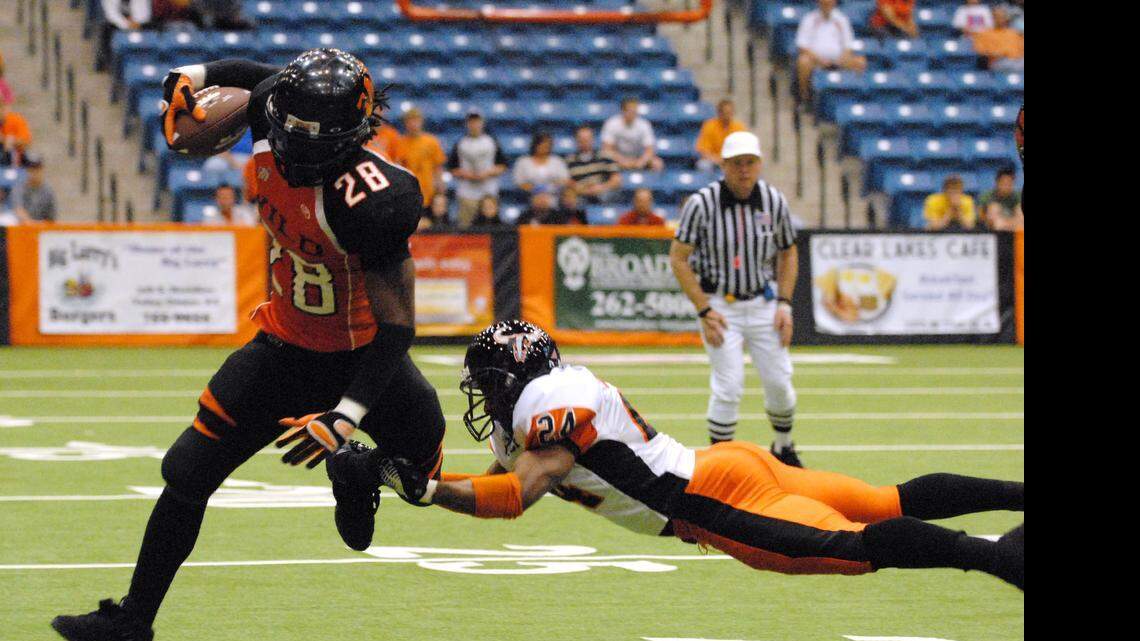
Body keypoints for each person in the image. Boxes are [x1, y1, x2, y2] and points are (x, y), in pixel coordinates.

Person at [51, 49, 447, 641]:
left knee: (422, 480)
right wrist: (190, 79)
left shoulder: (374, 199)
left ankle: (359, 472)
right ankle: (133, 619)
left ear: (353, 131)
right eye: (286, 126)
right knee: (184, 472)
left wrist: (346, 416)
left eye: (313, 135)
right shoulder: (274, 114)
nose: (293, 142)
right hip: (283, 346)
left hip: (362, 359)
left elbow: (397, 328)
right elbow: (250, 73)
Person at [329, 320, 1024, 589]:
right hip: (730, 468)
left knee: (857, 542)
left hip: (710, 501)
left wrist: (418, 488)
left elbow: (520, 495)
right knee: (886, 501)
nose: (480, 394)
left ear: (510, 374)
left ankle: (1001, 557)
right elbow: (495, 483)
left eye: (485, 380)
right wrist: (406, 475)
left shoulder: (550, 400)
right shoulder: (538, 411)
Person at [669, 132, 802, 466]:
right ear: (723, 165)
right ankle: (720, 464)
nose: (744, 170)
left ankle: (783, 447)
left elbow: (788, 251)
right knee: (728, 387)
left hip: (763, 302)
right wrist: (704, 309)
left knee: (780, 384)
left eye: (750, 163)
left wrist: (784, 303)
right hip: (720, 304)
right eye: (737, 163)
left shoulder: (773, 200)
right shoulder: (702, 203)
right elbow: (678, 258)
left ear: (759, 164)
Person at [794, 0, 867, 107]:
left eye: (829, 3)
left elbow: (848, 45)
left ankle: (857, 100)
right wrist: (820, 60)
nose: (827, 5)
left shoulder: (842, 19)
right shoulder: (809, 19)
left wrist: (843, 57)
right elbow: (802, 46)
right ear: (819, 3)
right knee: (803, 61)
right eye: (824, 3)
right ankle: (805, 98)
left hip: (838, 59)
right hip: (816, 60)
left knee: (861, 62)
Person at [448, 108, 508, 228]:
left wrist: (487, 173)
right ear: (467, 124)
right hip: (467, 193)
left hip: (489, 193)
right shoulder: (461, 143)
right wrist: (467, 175)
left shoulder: (491, 141)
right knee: (465, 228)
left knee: (491, 227)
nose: (474, 125)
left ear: (482, 123)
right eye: (471, 122)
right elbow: (452, 168)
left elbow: (503, 165)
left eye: (476, 121)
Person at [392, 107, 447, 210]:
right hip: (409, 194)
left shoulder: (431, 142)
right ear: (405, 123)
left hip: (429, 194)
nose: (413, 124)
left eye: (416, 120)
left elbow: (438, 167)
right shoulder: (399, 143)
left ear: (421, 121)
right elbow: (397, 169)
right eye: (410, 121)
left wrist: (441, 190)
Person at [600, 97, 664, 172]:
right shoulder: (612, 123)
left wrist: (641, 161)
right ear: (623, 111)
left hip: (638, 159)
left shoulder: (644, 124)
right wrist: (622, 161)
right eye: (630, 110)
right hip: (617, 159)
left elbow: (649, 150)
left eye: (635, 111)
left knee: (657, 163)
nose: (633, 113)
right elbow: (607, 149)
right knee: (603, 161)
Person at [565, 125, 622, 203]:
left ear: (593, 139)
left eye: (587, 139)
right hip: (581, 194)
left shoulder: (605, 156)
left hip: (603, 192)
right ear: (576, 140)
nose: (585, 142)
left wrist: (602, 187)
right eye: (582, 139)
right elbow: (568, 182)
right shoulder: (570, 161)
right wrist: (583, 190)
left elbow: (616, 180)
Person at [512, 131, 571, 195]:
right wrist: (535, 189)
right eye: (542, 143)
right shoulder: (523, 161)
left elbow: (565, 180)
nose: (545, 146)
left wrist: (550, 187)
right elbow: (519, 182)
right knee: (540, 200)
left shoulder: (557, 161)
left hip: (554, 194)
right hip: (528, 195)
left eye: (548, 143)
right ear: (535, 144)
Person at [695, 99, 748, 171]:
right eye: (725, 112)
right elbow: (703, 151)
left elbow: (744, 149)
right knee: (703, 165)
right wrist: (718, 160)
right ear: (719, 113)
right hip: (714, 161)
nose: (727, 115)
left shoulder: (739, 128)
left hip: (733, 161)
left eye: (730, 112)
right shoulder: (709, 126)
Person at [971, 6, 1024, 71]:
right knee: (1008, 64)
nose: (999, 19)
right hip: (997, 62)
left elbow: (1021, 51)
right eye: (997, 17)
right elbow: (981, 52)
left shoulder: (1014, 33)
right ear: (992, 18)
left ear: (1006, 19)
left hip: (1016, 61)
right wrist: (999, 54)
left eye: (1002, 17)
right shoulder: (983, 34)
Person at [16, 153, 57, 223]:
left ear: (41, 170)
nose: (34, 173)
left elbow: (51, 218)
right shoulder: (20, 187)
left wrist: (38, 227)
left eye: (37, 169)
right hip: (22, 229)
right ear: (27, 170)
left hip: (41, 230)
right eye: (31, 169)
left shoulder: (48, 191)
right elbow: (19, 210)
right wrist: (32, 225)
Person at [979, 166, 1022, 231]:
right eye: (1004, 183)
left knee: (1020, 210)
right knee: (994, 208)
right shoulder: (987, 196)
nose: (1006, 186)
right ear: (997, 182)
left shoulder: (1018, 196)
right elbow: (981, 217)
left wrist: (1007, 223)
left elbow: (1020, 218)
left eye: (1009, 183)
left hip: (1013, 225)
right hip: (992, 228)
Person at [0, 98, 32, 166]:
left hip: (12, 154)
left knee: (10, 140)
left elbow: (26, 140)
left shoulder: (15, 120)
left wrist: (6, 140)